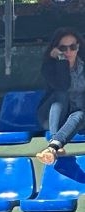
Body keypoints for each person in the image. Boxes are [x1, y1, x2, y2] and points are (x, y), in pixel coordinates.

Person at [36, 27, 85, 164]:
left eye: (73, 47)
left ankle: (53, 147)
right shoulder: (49, 67)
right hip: (50, 116)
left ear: (78, 47)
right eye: (63, 48)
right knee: (61, 94)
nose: (69, 51)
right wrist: (62, 61)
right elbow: (62, 86)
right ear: (56, 49)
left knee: (80, 114)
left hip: (75, 119)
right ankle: (54, 138)